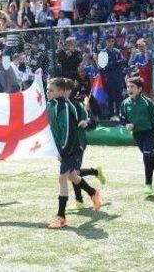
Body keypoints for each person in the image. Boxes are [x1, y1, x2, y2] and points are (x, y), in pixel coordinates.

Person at [46, 78, 100, 229]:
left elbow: (69, 132)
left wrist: (63, 152)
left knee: (63, 178)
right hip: (62, 148)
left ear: (62, 91)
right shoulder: (50, 104)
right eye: (47, 89)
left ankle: (61, 216)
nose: (47, 92)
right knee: (72, 176)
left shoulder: (64, 107)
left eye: (51, 89)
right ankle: (92, 192)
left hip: (72, 148)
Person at [120, 77, 154, 195]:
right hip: (137, 135)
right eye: (128, 87)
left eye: (132, 87)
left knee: (147, 156)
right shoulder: (125, 103)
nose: (129, 89)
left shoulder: (147, 102)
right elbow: (122, 118)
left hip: (148, 133)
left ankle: (148, 185)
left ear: (139, 89)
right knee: (149, 157)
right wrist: (126, 124)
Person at [64, 79, 105, 210]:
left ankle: (80, 200)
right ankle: (95, 172)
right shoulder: (56, 105)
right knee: (73, 173)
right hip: (65, 145)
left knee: (74, 173)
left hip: (78, 143)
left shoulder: (77, 105)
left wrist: (86, 122)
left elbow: (92, 121)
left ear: (68, 91)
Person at [102, 35, 126, 119]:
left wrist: (113, 63)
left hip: (118, 78)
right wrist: (115, 63)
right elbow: (103, 67)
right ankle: (111, 115)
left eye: (112, 41)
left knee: (119, 97)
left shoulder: (117, 51)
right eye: (109, 41)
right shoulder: (102, 52)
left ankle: (119, 114)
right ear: (106, 42)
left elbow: (123, 61)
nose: (111, 43)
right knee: (110, 98)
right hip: (108, 79)